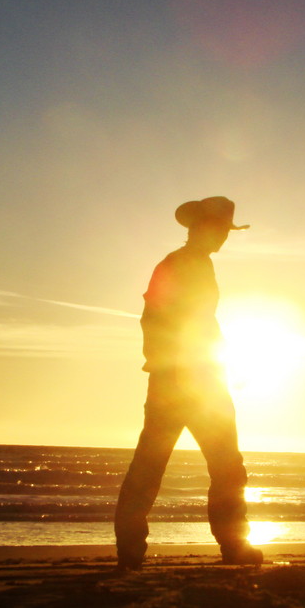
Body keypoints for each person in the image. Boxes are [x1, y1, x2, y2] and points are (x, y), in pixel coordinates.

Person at [114, 196, 263, 570]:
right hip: (186, 379)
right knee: (217, 465)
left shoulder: (196, 264)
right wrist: (180, 369)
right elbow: (156, 317)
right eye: (219, 230)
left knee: (205, 465)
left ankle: (227, 546)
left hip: (194, 376)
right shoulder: (179, 264)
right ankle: (229, 546)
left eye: (226, 232)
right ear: (199, 228)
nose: (223, 238)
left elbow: (197, 323)